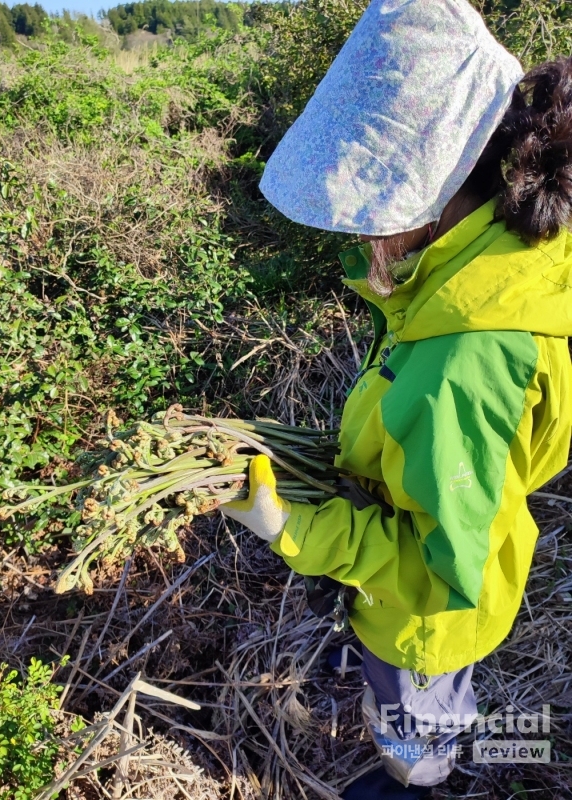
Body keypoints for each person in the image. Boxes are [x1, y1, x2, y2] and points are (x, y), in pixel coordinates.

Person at [223, 0, 572, 796]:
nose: (362, 237)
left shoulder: (469, 353)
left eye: (376, 208)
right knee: (423, 692)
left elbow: (444, 573)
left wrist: (296, 527)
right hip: (426, 578)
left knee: (416, 721)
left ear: (443, 188)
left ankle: (424, 770)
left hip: (424, 621)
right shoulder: (476, 275)